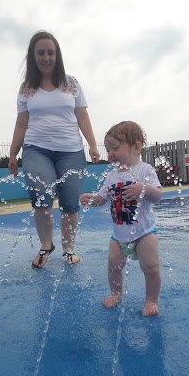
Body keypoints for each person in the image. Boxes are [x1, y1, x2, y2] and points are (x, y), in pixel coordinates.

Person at [8, 30, 100, 268]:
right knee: (41, 196)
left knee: (70, 203)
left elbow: (83, 116)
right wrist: (12, 153)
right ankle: (46, 244)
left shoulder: (71, 83)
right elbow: (21, 124)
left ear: (57, 55)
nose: (46, 58)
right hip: (36, 149)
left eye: (51, 52)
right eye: (41, 52)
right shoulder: (26, 88)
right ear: (33, 56)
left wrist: (91, 143)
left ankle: (69, 250)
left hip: (71, 150)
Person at [80, 121, 162, 316]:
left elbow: (158, 195)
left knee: (150, 267)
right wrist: (91, 199)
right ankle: (116, 293)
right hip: (118, 236)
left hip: (144, 233)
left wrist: (143, 188)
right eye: (108, 150)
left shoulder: (145, 170)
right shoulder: (111, 176)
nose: (110, 154)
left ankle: (151, 300)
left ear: (136, 147)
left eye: (115, 148)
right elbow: (101, 199)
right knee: (113, 266)